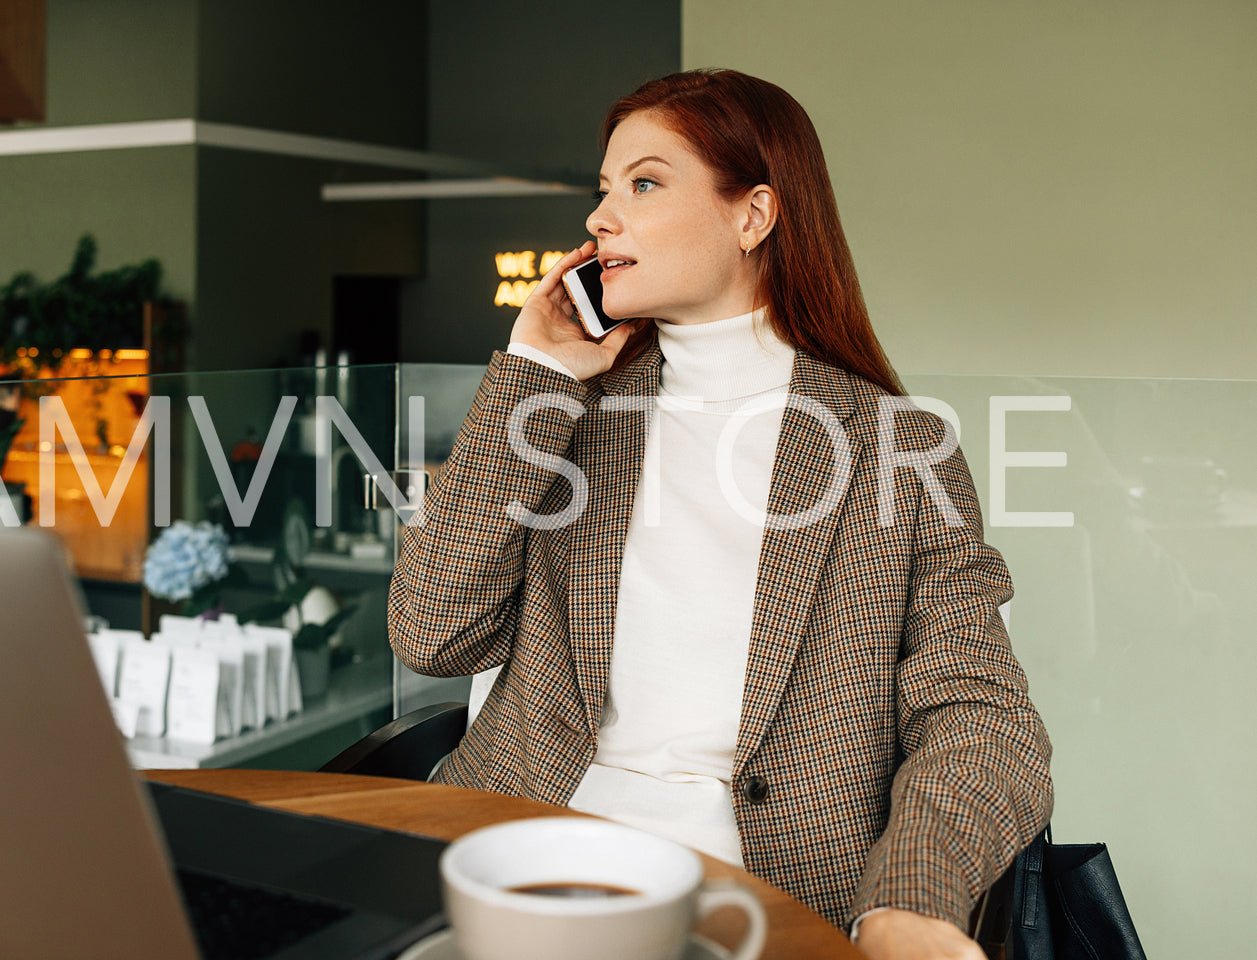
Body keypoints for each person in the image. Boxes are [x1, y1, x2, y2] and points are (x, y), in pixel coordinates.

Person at [389, 69, 1052, 960]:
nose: (599, 218)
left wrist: (910, 900)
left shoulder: (897, 445)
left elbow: (981, 713)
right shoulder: (568, 416)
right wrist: (533, 376)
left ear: (754, 215)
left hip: (764, 891)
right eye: (603, 190)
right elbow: (431, 634)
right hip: (524, 851)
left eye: (645, 183)